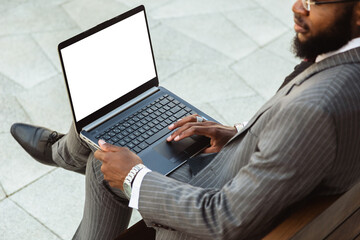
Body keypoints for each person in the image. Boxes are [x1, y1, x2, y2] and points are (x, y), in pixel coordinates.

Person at [10, 0, 360, 239]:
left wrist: (134, 175)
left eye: (316, 1)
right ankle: (67, 150)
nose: (298, 7)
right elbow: (302, 147)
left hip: (204, 218)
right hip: (250, 178)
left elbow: (224, 219)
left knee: (106, 162)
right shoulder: (347, 65)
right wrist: (236, 133)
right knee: (118, 135)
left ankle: (65, 152)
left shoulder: (316, 107)